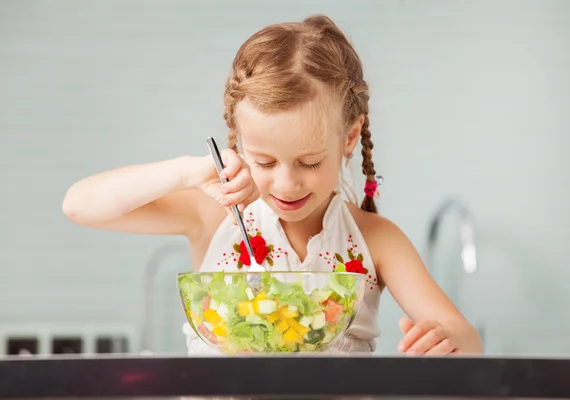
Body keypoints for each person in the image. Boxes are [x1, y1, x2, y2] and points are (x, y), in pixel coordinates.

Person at [62, 15, 482, 356]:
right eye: (263, 161)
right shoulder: (214, 214)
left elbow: (464, 336)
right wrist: (189, 171)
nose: (286, 182)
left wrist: (451, 342)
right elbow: (80, 205)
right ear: (239, 142)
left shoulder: (376, 239)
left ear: (350, 137)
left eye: (310, 162)